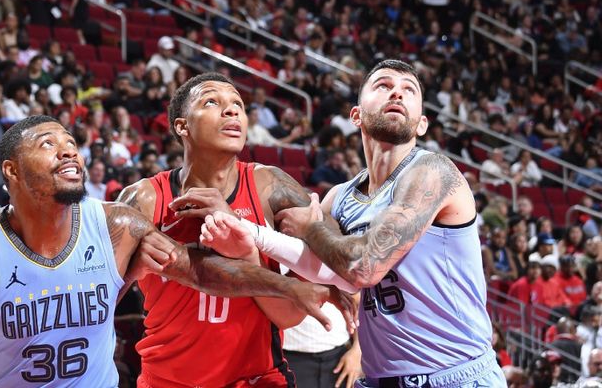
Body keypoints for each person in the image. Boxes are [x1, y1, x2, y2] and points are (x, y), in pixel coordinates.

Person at [0, 116, 329, 387]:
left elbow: (198, 271)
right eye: (49, 145)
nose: (69, 153)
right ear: (13, 172)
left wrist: (288, 285)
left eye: (72, 144)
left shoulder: (116, 227)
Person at [200, 60, 505, 387]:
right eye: (384, 86)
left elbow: (364, 267)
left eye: (409, 90)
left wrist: (307, 228)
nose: (397, 93)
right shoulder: (339, 198)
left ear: (422, 124)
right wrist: (248, 243)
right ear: (356, 115)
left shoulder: (433, 172)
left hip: (453, 376)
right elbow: (310, 290)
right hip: (379, 379)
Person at [117, 72, 354, 387]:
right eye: (212, 102)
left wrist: (329, 274)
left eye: (238, 105)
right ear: (181, 125)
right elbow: (103, 296)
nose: (232, 111)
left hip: (257, 377)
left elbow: (291, 313)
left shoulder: (271, 185)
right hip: (168, 379)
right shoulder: (145, 198)